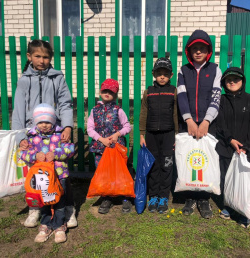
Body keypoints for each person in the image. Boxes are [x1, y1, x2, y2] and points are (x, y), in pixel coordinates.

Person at [12, 39, 77, 229]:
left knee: (59, 171)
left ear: (51, 58)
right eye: (38, 56)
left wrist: (66, 127)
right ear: (29, 57)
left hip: (54, 133)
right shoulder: (24, 80)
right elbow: (18, 110)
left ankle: (67, 208)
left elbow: (65, 103)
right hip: (32, 135)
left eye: (46, 57)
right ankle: (36, 208)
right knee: (36, 173)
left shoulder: (57, 78)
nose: (42, 60)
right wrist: (20, 137)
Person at [177, 29, 222, 219]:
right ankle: (189, 196)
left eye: (202, 48)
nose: (198, 52)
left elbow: (216, 96)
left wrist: (206, 121)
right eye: (194, 48)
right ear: (189, 50)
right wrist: (188, 119)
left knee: (205, 159)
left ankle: (204, 198)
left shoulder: (215, 69)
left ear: (208, 51)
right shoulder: (183, 70)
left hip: (208, 124)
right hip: (187, 123)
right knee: (189, 158)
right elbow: (181, 95)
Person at [20, 103, 75, 243]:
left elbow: (70, 149)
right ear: (35, 122)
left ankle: (59, 226)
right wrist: (35, 155)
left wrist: (56, 154)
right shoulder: (31, 136)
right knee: (43, 201)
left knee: (58, 201)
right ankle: (45, 225)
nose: (44, 125)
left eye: (47, 122)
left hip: (59, 175)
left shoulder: (60, 134)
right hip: (40, 177)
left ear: (53, 121)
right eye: (40, 122)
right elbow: (24, 153)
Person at [215, 67, 250, 228]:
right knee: (226, 178)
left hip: (246, 150)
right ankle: (228, 206)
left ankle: (243, 212)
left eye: (236, 79)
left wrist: (246, 146)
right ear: (224, 83)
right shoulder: (221, 100)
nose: (232, 82)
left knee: (245, 181)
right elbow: (220, 124)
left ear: (242, 82)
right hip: (226, 147)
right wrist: (230, 140)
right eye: (228, 80)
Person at [87, 78, 132, 214]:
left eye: (110, 91)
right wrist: (101, 139)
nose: (107, 93)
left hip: (116, 149)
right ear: (100, 91)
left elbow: (127, 126)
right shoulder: (94, 110)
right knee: (104, 174)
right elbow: (90, 129)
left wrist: (118, 134)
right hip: (101, 149)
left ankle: (126, 197)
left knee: (120, 172)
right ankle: (107, 198)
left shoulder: (119, 110)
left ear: (115, 94)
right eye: (105, 90)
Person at [139, 57, 178, 214]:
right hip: (151, 135)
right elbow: (143, 113)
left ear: (171, 75)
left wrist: (176, 134)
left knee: (167, 166)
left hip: (168, 135)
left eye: (165, 74)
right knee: (153, 166)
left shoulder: (174, 91)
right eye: (159, 73)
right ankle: (153, 196)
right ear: (153, 74)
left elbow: (176, 114)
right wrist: (142, 134)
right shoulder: (148, 92)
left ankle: (163, 197)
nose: (162, 76)